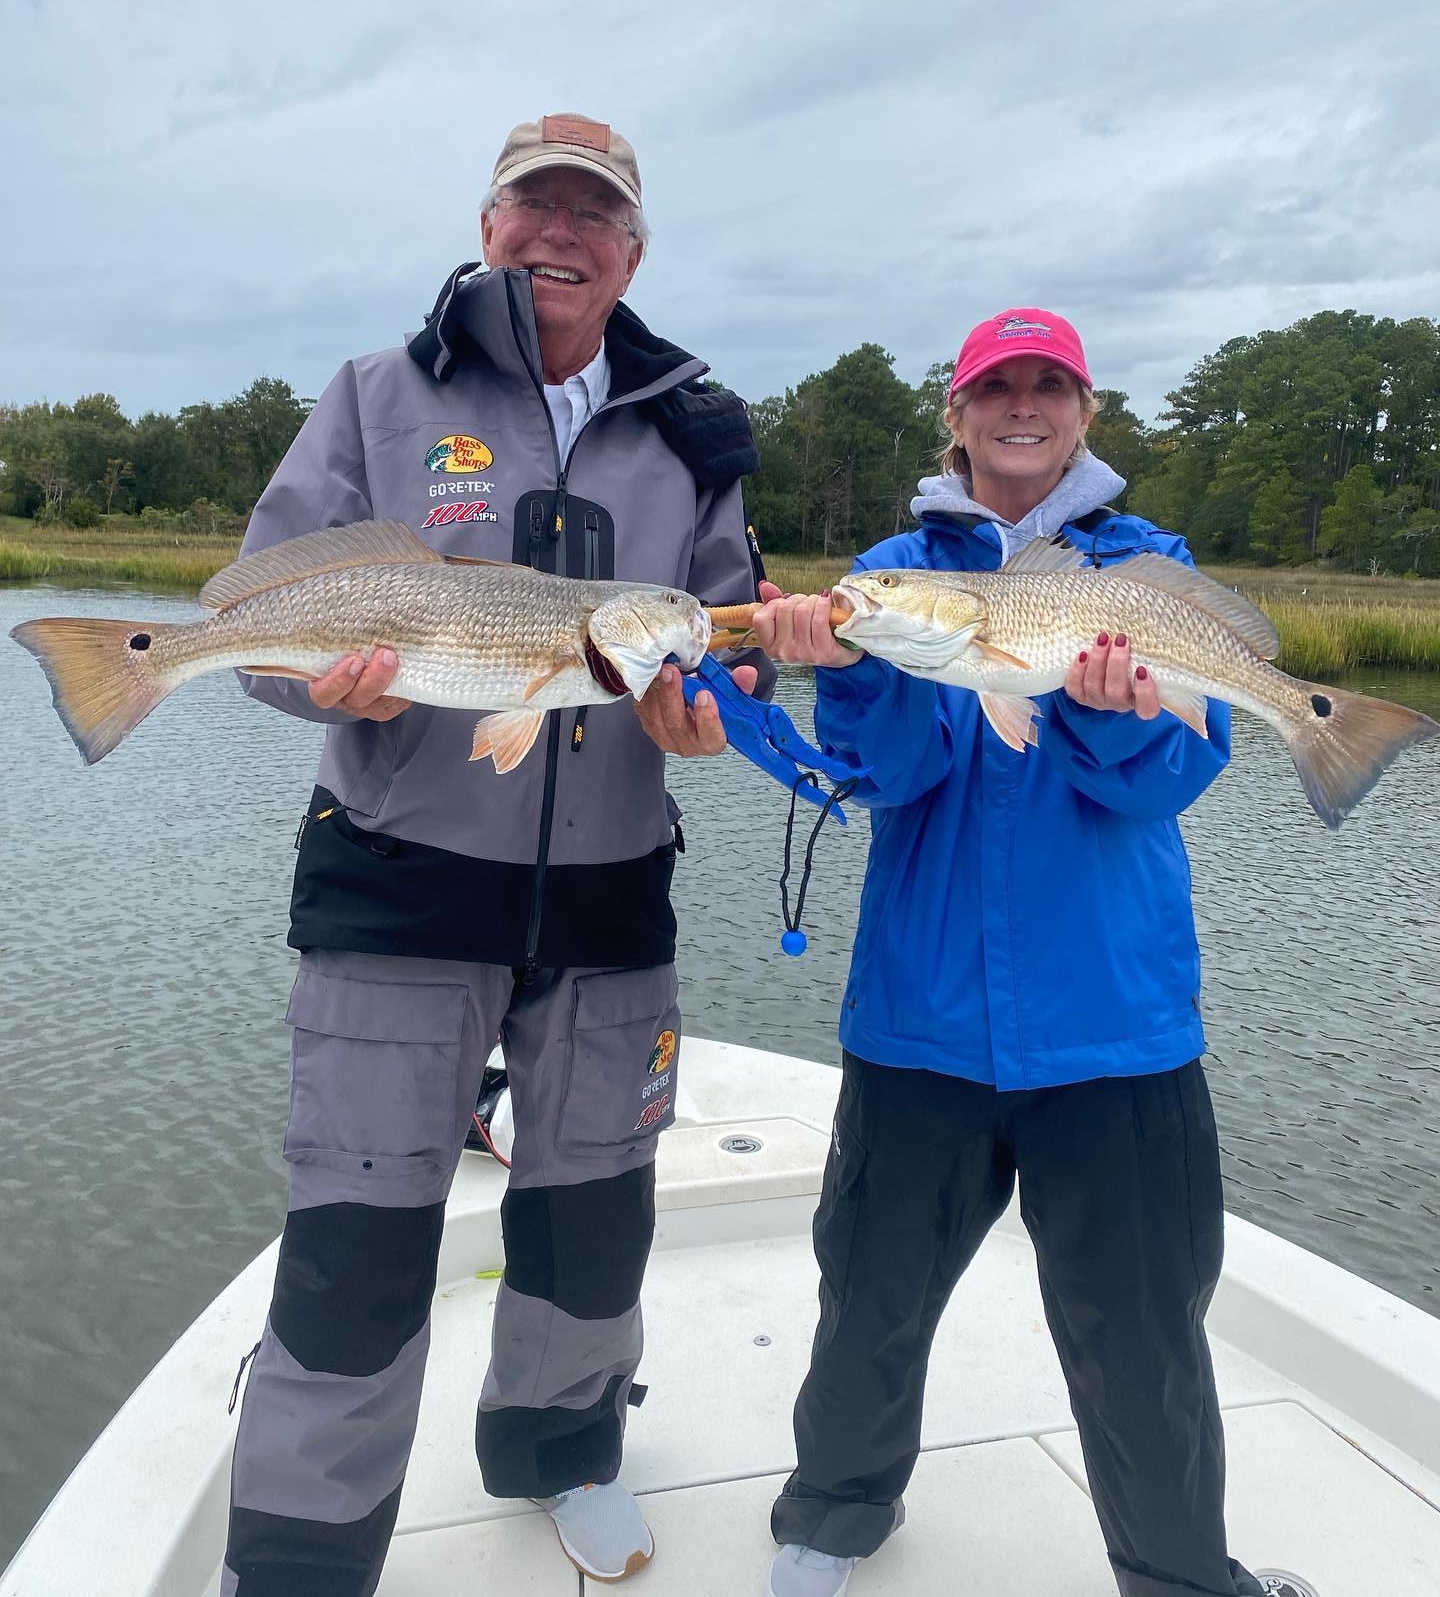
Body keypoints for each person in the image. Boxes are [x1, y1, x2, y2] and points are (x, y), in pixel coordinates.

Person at [221, 112, 775, 1594]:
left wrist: (715, 705)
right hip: (395, 883)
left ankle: (563, 1454)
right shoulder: (377, 394)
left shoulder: (693, 433)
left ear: (633, 250)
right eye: (536, 203)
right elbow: (259, 622)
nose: (561, 233)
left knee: (595, 1213)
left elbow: (721, 643)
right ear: (488, 226)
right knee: (356, 1235)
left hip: (610, 897)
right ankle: (295, 1555)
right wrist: (308, 676)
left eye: (594, 213)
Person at [750, 310, 1318, 1597]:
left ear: (1083, 410)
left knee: (1142, 1329)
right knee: (872, 1292)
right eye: (993, 386)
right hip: (922, 1013)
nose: (1021, 405)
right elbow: (883, 776)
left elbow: (1168, 781)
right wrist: (843, 668)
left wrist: (1113, 719)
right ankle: (831, 1515)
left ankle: (1177, 1575)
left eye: (1046, 386)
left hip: (1113, 1022)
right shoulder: (894, 570)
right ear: (953, 415)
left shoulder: (1145, 574)